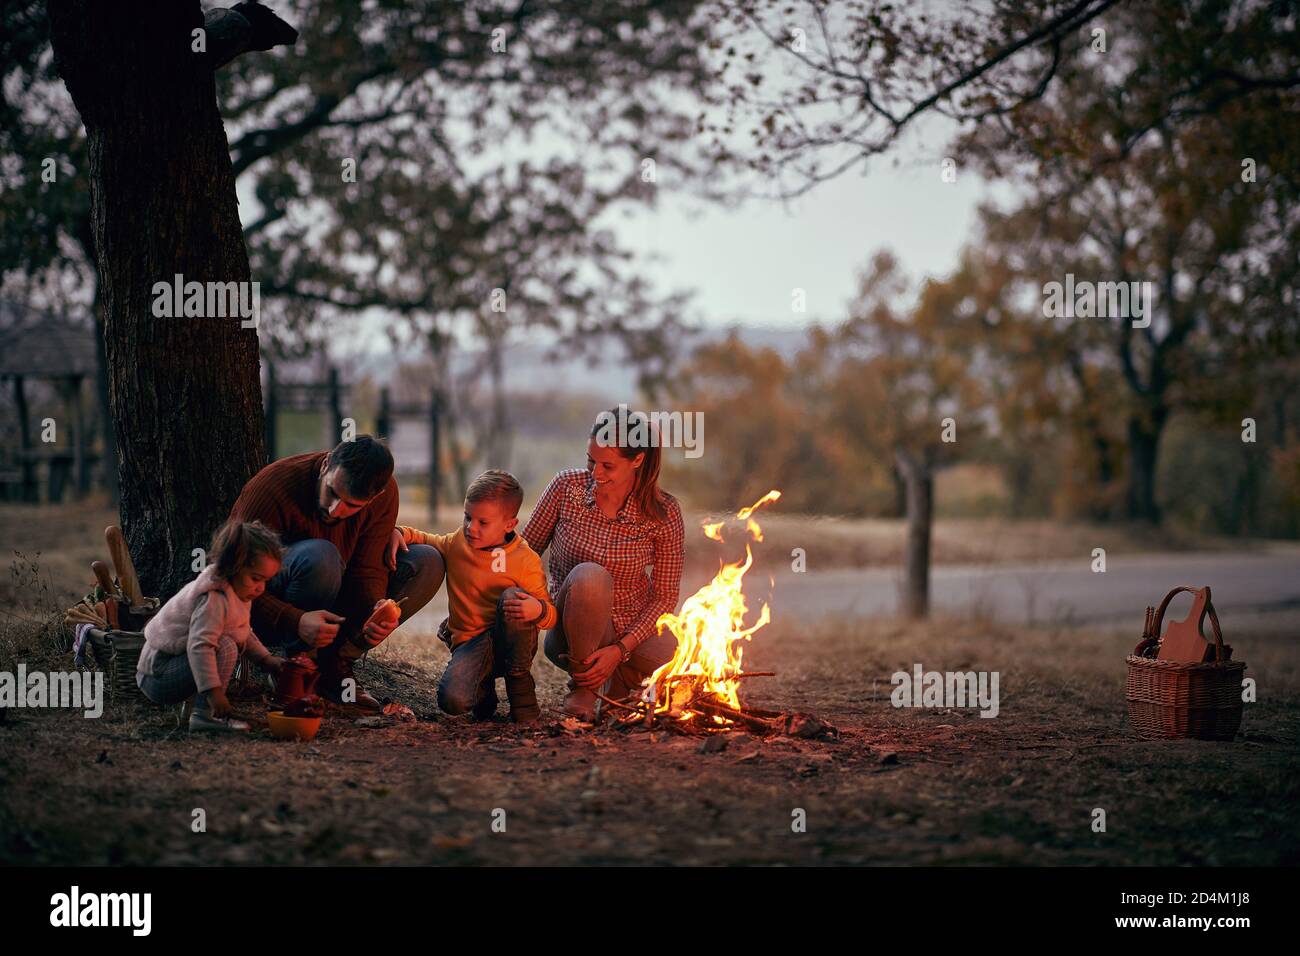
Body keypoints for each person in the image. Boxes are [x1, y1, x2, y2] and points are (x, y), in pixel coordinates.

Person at [228, 436, 444, 712]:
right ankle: (296, 668)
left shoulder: (384, 493)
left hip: (335, 599)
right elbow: (231, 580)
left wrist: (376, 608)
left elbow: (368, 570)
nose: (334, 510)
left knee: (427, 561)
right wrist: (296, 620)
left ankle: (335, 665)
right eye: (332, 492)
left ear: (374, 498)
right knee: (321, 556)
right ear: (326, 465)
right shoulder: (272, 489)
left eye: (351, 506)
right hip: (267, 609)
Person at [523, 406, 685, 722]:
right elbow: (523, 553)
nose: (596, 474)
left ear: (637, 460)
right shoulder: (565, 488)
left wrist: (620, 649)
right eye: (590, 461)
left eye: (608, 465)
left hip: (631, 630)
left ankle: (618, 682)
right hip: (571, 631)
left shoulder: (664, 513)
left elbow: (664, 597)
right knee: (591, 577)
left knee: (684, 651)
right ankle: (584, 687)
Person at [389, 470, 556, 724]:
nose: (471, 528)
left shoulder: (525, 560)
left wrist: (538, 610)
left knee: (515, 597)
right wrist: (400, 532)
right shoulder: (458, 542)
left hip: (511, 643)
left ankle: (521, 690)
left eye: (483, 522)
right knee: (452, 702)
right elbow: (427, 539)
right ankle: (482, 691)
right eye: (468, 517)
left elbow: (550, 616)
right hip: (470, 644)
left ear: (509, 524)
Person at [136, 520, 285, 732]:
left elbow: (242, 631)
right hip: (158, 675)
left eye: (265, 581)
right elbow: (200, 647)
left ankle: (204, 711)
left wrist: (266, 659)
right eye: (256, 578)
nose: (261, 588)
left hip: (173, 667)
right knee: (224, 646)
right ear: (233, 566)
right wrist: (214, 694)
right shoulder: (213, 599)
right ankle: (204, 716)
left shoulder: (237, 589)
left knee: (227, 641)